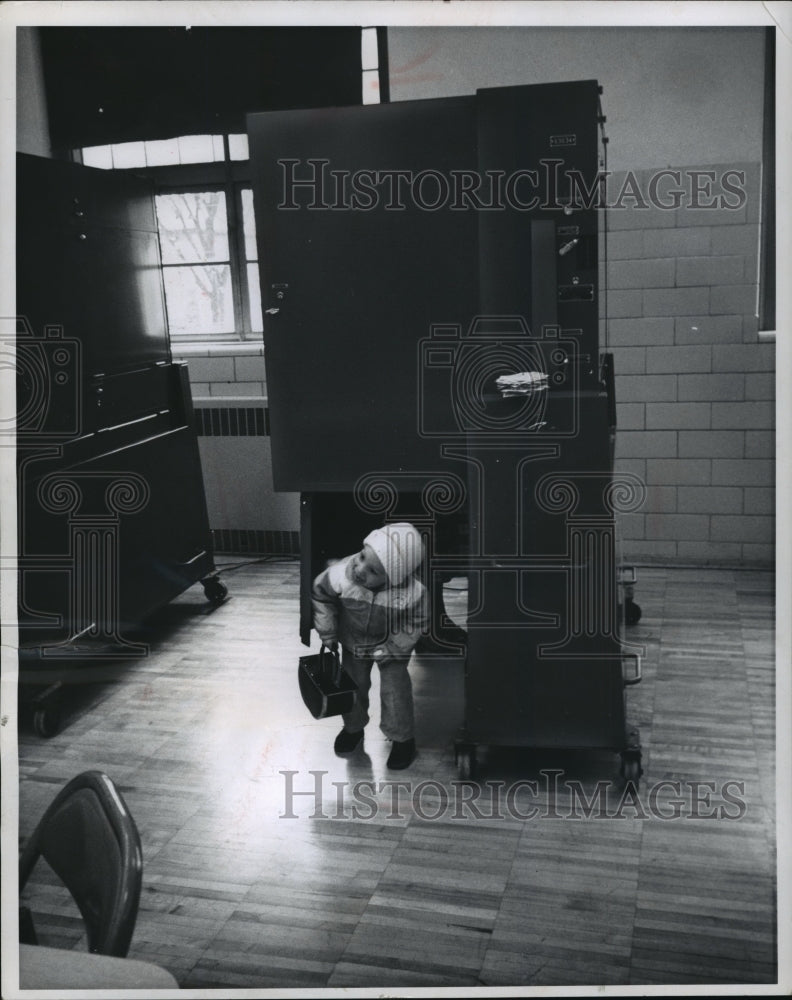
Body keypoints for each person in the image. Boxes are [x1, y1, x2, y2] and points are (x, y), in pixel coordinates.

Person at [311, 522, 427, 769]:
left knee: (395, 693)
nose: (360, 568)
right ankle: (353, 729)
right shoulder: (341, 574)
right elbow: (321, 595)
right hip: (353, 643)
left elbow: (417, 621)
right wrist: (327, 630)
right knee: (352, 688)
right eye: (362, 556)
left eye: (372, 570)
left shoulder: (413, 592)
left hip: (392, 646)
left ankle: (402, 739)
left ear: (394, 578)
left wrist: (395, 647)